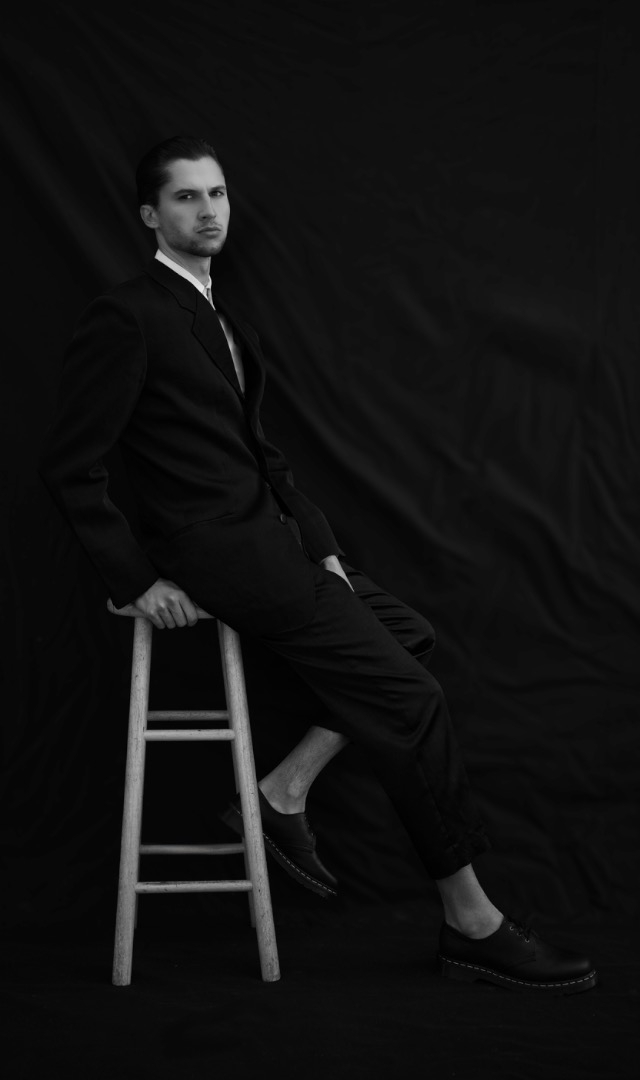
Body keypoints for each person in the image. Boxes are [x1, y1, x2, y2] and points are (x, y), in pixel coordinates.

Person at [39, 135, 597, 995]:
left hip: (277, 544)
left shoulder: (226, 321)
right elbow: (71, 462)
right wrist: (135, 580)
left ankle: (280, 793)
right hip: (220, 555)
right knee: (411, 700)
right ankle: (472, 922)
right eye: (186, 197)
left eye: (217, 193)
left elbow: (261, 455)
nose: (209, 210)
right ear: (150, 214)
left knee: (409, 637)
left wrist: (323, 545)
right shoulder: (129, 315)